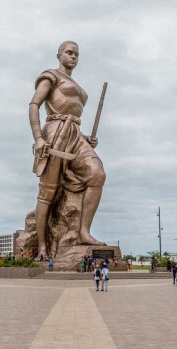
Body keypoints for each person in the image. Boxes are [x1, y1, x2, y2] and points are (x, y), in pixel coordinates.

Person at [29, 40, 106, 258]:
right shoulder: (51, 75)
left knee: (97, 174)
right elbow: (34, 104)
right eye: (69, 53)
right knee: (47, 193)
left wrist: (85, 138)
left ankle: (83, 232)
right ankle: (43, 248)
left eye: (77, 54)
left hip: (76, 134)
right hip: (55, 132)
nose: (74, 57)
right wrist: (38, 138)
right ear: (59, 55)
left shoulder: (78, 86)